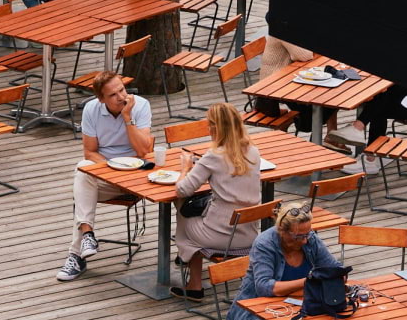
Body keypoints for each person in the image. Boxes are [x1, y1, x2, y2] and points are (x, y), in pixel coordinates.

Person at [60, 72, 153, 281]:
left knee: (81, 189)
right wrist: (113, 170)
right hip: (108, 175)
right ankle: (87, 236)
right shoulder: (92, 110)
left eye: (122, 89)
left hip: (136, 178)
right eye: (113, 95)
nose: (121, 97)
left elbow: (143, 151)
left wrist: (127, 117)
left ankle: (77, 254)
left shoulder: (141, 106)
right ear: (101, 100)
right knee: (83, 168)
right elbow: (90, 152)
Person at [227, 201, 344, 320]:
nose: (304, 241)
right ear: (282, 230)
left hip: (299, 307)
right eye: (298, 236)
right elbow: (264, 287)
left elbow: (335, 268)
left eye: (308, 234)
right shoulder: (264, 243)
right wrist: (308, 282)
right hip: (254, 313)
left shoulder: (310, 239)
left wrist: (339, 275)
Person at [171, 102, 266, 297]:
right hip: (249, 234)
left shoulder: (214, 156)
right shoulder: (253, 151)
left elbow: (182, 189)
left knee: (184, 213)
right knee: (194, 213)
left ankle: (193, 282)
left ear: (217, 128)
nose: (208, 128)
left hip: (223, 237)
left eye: (210, 124)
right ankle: (188, 265)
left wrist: (185, 168)